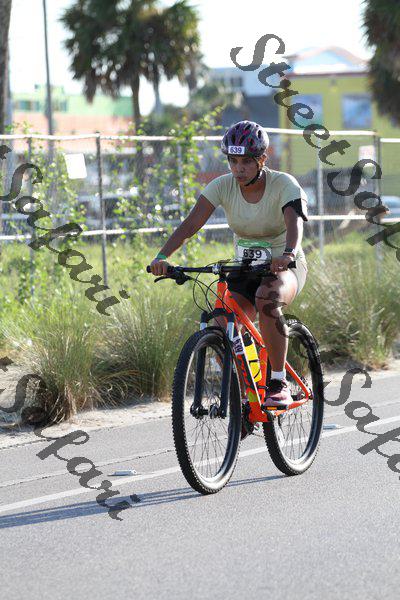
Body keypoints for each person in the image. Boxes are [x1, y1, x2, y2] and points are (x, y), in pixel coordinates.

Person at [150, 120, 308, 407]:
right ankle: (245, 398)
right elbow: (191, 225)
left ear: (262, 159)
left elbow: (294, 223)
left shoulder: (284, 184)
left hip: (284, 266)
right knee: (224, 324)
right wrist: (162, 257)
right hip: (245, 267)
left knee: (267, 299)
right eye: (233, 161)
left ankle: (278, 381)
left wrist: (287, 254)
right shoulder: (222, 185)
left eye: (246, 161)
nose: (238, 168)